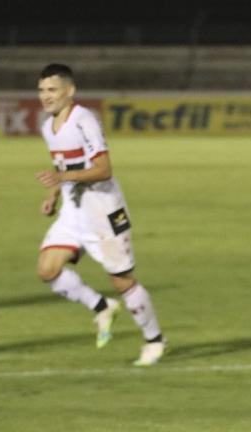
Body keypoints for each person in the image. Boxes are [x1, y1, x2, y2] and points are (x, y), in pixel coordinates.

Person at [35, 63, 165, 366]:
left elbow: (104, 169)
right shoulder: (47, 126)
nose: (46, 96)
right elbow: (62, 167)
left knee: (122, 280)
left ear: (70, 91)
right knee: (47, 270)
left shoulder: (84, 120)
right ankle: (102, 306)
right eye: (41, 90)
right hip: (73, 211)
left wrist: (63, 180)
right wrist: (52, 194)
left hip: (103, 211)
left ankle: (155, 340)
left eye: (52, 90)